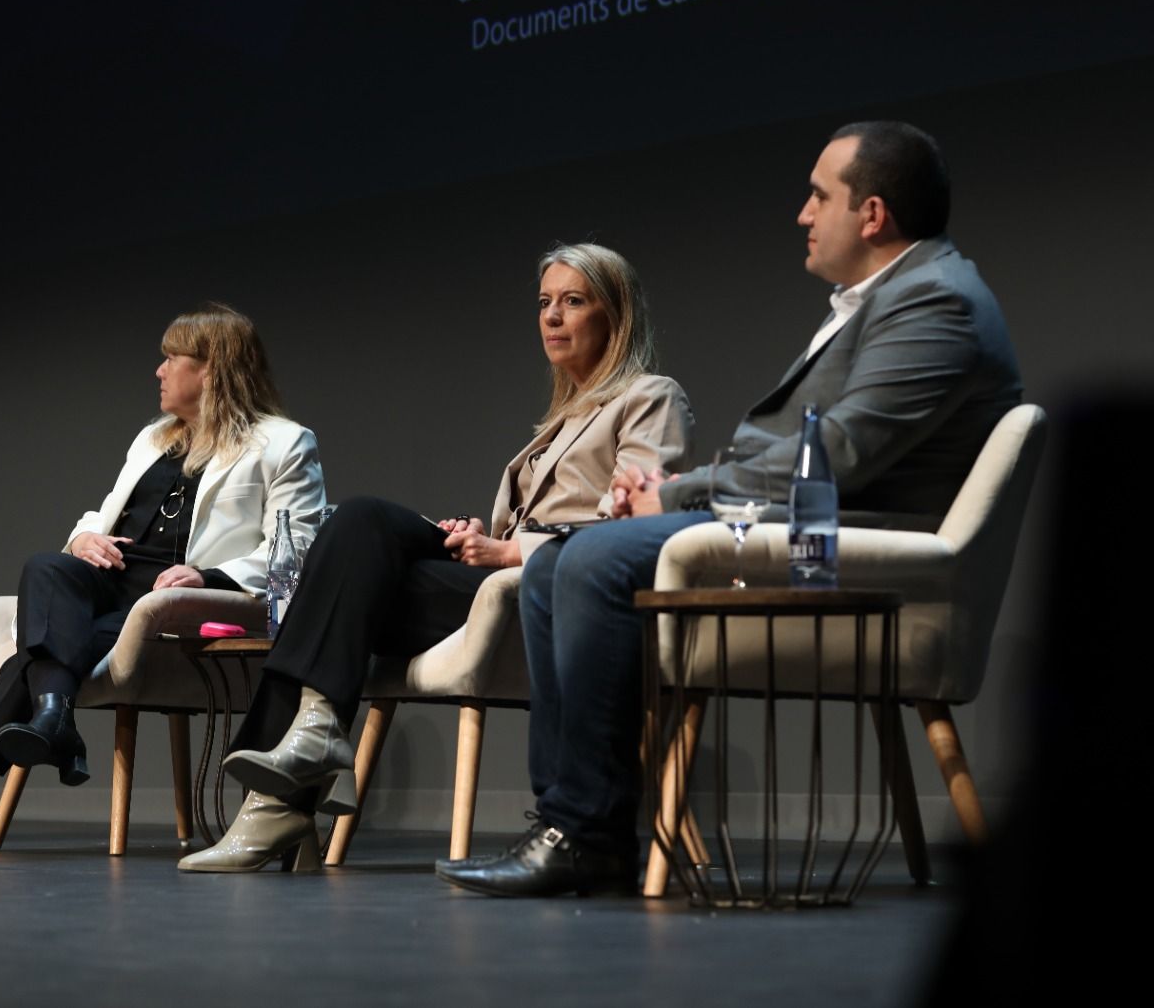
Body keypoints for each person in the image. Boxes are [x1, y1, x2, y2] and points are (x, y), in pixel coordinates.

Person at [437, 120, 1024, 897]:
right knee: (559, 568)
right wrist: (673, 495)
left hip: (854, 554)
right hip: (809, 524)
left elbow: (841, 454)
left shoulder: (934, 303)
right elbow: (811, 448)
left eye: (819, 197)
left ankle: (585, 827)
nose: (803, 215)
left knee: (591, 557)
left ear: (873, 213)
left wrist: (672, 495)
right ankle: (573, 822)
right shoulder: (888, 299)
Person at [178, 243, 694, 873]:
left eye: (574, 302)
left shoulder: (649, 396)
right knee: (353, 531)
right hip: (497, 581)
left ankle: (280, 799)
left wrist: (509, 548)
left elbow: (636, 521)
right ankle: (304, 755)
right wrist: (479, 534)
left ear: (616, 316)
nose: (552, 317)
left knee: (355, 542)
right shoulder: (556, 423)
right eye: (544, 304)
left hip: (553, 594)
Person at [0, 303, 325, 856]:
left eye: (172, 358)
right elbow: (102, 514)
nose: (159, 371)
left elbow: (299, 546)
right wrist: (84, 539)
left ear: (212, 369)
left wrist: (208, 574)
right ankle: (53, 719)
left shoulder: (283, 443)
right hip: (112, 580)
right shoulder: (155, 438)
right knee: (46, 564)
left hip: (172, 604)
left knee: (32, 661)